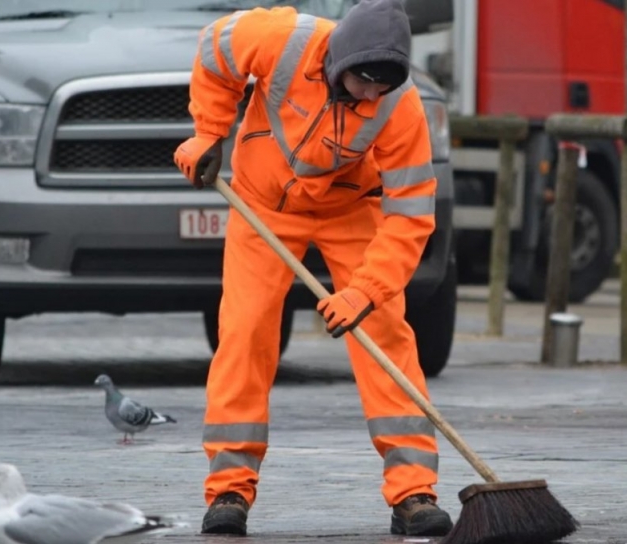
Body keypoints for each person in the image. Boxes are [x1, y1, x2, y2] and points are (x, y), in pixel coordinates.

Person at [174, 0, 453, 537]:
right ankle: (229, 490)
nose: (371, 95)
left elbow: (411, 216)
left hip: (351, 209)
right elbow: (214, 49)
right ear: (339, 57)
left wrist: (366, 291)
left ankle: (413, 492)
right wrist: (209, 131)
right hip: (263, 205)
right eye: (364, 81)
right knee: (245, 330)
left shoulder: (402, 107)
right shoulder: (279, 38)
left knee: (384, 330)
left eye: (383, 86)